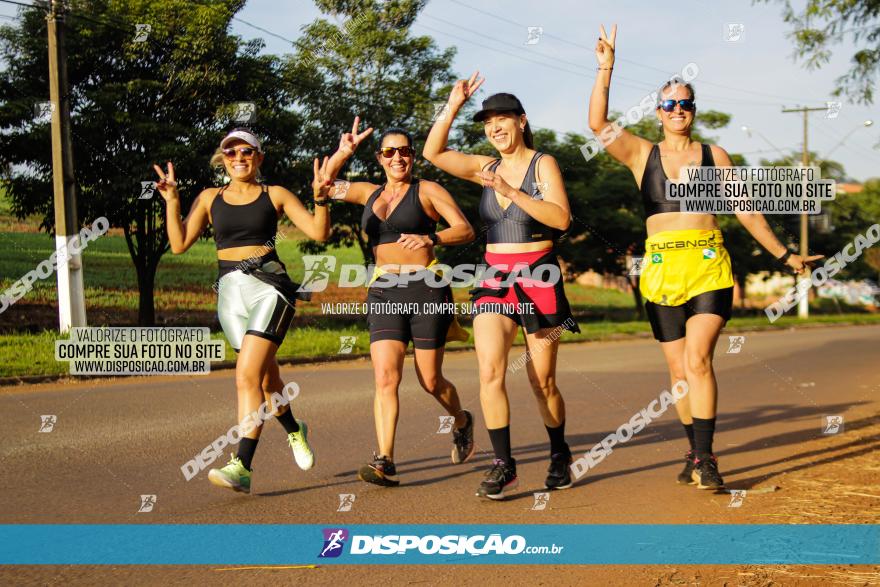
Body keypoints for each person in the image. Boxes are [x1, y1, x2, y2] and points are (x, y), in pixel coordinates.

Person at [588, 25, 823, 489]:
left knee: (698, 361)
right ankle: (694, 453)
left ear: (693, 111)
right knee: (678, 372)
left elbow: (746, 210)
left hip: (708, 266)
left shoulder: (714, 156)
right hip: (661, 270)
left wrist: (786, 256)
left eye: (686, 103)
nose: (678, 110)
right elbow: (597, 124)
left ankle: (706, 458)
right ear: (659, 112)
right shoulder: (642, 154)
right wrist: (605, 67)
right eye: (671, 104)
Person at [424, 74, 580, 500]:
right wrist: (453, 103)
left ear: (522, 122)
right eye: (488, 122)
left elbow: (560, 218)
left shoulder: (542, 164)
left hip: (540, 274)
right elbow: (433, 152)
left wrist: (512, 191)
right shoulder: (484, 167)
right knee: (490, 373)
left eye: (502, 120)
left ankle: (559, 454)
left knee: (541, 380)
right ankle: (503, 465)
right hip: (495, 277)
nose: (494, 128)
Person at [154, 127, 334, 494]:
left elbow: (319, 233)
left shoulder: (276, 194)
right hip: (230, 296)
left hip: (270, 290)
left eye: (246, 152)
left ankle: (242, 466)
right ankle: (295, 430)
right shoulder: (208, 198)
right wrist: (172, 200)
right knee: (266, 381)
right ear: (223, 160)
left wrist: (321, 199)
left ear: (259, 158)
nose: (239, 158)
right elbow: (178, 244)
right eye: (231, 153)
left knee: (245, 377)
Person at [323, 118, 477, 486]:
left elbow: (465, 229)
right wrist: (343, 152)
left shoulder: (428, 190)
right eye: (389, 152)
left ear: (412, 157)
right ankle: (385, 460)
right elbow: (324, 187)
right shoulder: (367, 193)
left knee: (430, 380)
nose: (398, 158)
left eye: (404, 151)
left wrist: (433, 239)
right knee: (386, 377)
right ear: (380, 157)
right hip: (383, 292)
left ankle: (461, 420)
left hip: (426, 290)